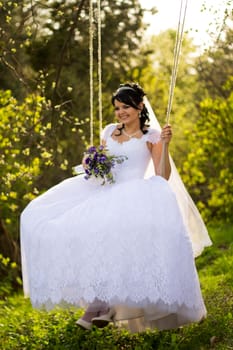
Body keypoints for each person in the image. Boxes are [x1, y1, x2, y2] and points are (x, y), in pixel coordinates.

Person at [20, 82, 211, 333]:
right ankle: (101, 303)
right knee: (45, 218)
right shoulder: (109, 130)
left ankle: (100, 305)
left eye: (126, 107)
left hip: (134, 194)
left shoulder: (151, 136)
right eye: (117, 108)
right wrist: (91, 162)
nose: (121, 112)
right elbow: (97, 160)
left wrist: (165, 144)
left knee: (113, 232)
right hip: (105, 190)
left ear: (140, 107)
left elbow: (162, 174)